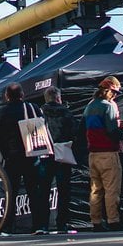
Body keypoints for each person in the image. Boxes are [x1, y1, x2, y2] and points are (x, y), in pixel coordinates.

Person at [0, 82, 47, 235]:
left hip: (13, 158)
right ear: (22, 94)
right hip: (32, 154)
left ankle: (7, 227)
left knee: (10, 193)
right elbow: (43, 126)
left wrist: (6, 154)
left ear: (7, 96)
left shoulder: (3, 112)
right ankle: (39, 226)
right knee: (35, 192)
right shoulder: (33, 108)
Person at [84, 75, 123, 232]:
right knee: (111, 189)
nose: (115, 96)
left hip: (93, 154)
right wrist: (122, 131)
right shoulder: (108, 106)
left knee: (96, 190)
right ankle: (113, 220)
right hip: (108, 153)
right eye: (114, 92)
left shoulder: (89, 106)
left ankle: (96, 222)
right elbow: (111, 130)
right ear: (108, 91)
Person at [37, 87, 77, 234]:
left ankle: (43, 225)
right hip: (63, 153)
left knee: (43, 191)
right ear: (58, 98)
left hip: (45, 154)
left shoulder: (40, 112)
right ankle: (62, 224)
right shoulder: (66, 112)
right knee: (64, 191)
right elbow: (74, 132)